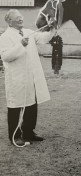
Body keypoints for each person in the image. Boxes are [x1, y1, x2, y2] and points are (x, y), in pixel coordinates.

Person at [0, 9, 55, 146]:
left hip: (31, 76)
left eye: (21, 17)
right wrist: (21, 45)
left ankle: (29, 132)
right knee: (15, 107)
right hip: (16, 78)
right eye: (17, 18)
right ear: (9, 21)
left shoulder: (29, 32)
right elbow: (5, 57)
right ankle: (15, 136)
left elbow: (43, 38)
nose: (20, 19)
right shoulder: (5, 37)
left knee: (31, 105)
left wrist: (53, 28)